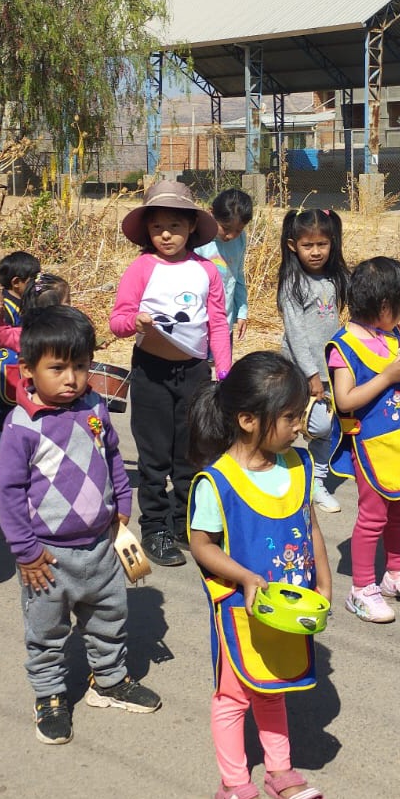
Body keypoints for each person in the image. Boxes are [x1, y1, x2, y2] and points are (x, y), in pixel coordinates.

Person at [0, 305, 161, 744]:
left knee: (109, 616)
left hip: (101, 544)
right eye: (58, 368)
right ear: (27, 369)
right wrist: (25, 552)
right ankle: (50, 695)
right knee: (47, 631)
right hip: (47, 557)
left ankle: (109, 679)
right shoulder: (22, 426)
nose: (71, 378)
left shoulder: (94, 407)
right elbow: (8, 495)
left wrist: (123, 501)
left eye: (81, 366)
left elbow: (111, 456)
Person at [187, 352, 331, 799]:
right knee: (233, 696)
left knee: (273, 686)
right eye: (290, 417)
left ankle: (279, 770)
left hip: (286, 612)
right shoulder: (218, 482)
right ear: (248, 420)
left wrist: (326, 583)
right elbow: (201, 544)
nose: (299, 426)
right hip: (240, 611)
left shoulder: (298, 467)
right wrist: (246, 577)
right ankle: (233, 784)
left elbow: (310, 527)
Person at [109, 181, 232, 568]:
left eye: (175, 227)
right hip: (151, 371)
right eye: (158, 227)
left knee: (191, 454)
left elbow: (217, 323)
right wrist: (136, 322)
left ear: (192, 228)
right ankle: (156, 527)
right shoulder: (141, 268)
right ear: (147, 230)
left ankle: (185, 522)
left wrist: (223, 373)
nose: (166, 234)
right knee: (153, 455)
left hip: (196, 371)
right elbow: (117, 320)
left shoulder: (207, 270)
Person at [327, 256, 400, 623]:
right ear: (383, 305)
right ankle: (361, 589)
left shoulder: (398, 335)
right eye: (399, 305)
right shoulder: (343, 346)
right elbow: (345, 401)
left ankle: (397, 573)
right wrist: (388, 376)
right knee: (373, 517)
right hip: (370, 446)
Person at [277, 207, 349, 514]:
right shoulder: (292, 284)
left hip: (329, 368)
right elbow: (295, 334)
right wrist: (310, 374)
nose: (316, 252)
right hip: (300, 371)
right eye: (308, 246)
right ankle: (283, 470)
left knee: (328, 428)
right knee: (298, 426)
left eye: (322, 244)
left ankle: (316, 482)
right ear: (294, 246)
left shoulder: (335, 279)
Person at [0, 269, 69, 432]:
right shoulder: (25, 335)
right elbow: (3, 336)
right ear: (54, 309)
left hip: (64, 395)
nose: (72, 307)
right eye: (68, 302)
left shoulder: (70, 333)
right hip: (34, 397)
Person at [0, 250, 41, 437]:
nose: (37, 283)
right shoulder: (3, 309)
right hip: (7, 372)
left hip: (22, 371)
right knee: (5, 413)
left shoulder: (27, 303)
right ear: (16, 282)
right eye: (33, 278)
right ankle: (2, 446)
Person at [195, 187, 254, 342]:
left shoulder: (239, 241)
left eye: (239, 230)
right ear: (211, 213)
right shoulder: (197, 239)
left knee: (221, 365)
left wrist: (241, 312)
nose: (231, 236)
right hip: (197, 324)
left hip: (223, 324)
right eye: (226, 228)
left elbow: (238, 277)